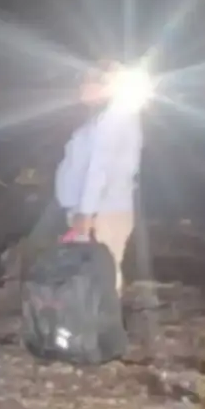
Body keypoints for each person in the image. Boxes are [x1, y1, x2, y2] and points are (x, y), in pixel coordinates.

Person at [53, 60, 144, 292]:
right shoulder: (103, 119)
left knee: (100, 279)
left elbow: (100, 170)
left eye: (86, 82)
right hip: (96, 212)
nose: (80, 88)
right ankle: (95, 314)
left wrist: (87, 213)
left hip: (102, 213)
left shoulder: (113, 119)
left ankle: (103, 315)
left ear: (104, 86)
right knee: (91, 278)